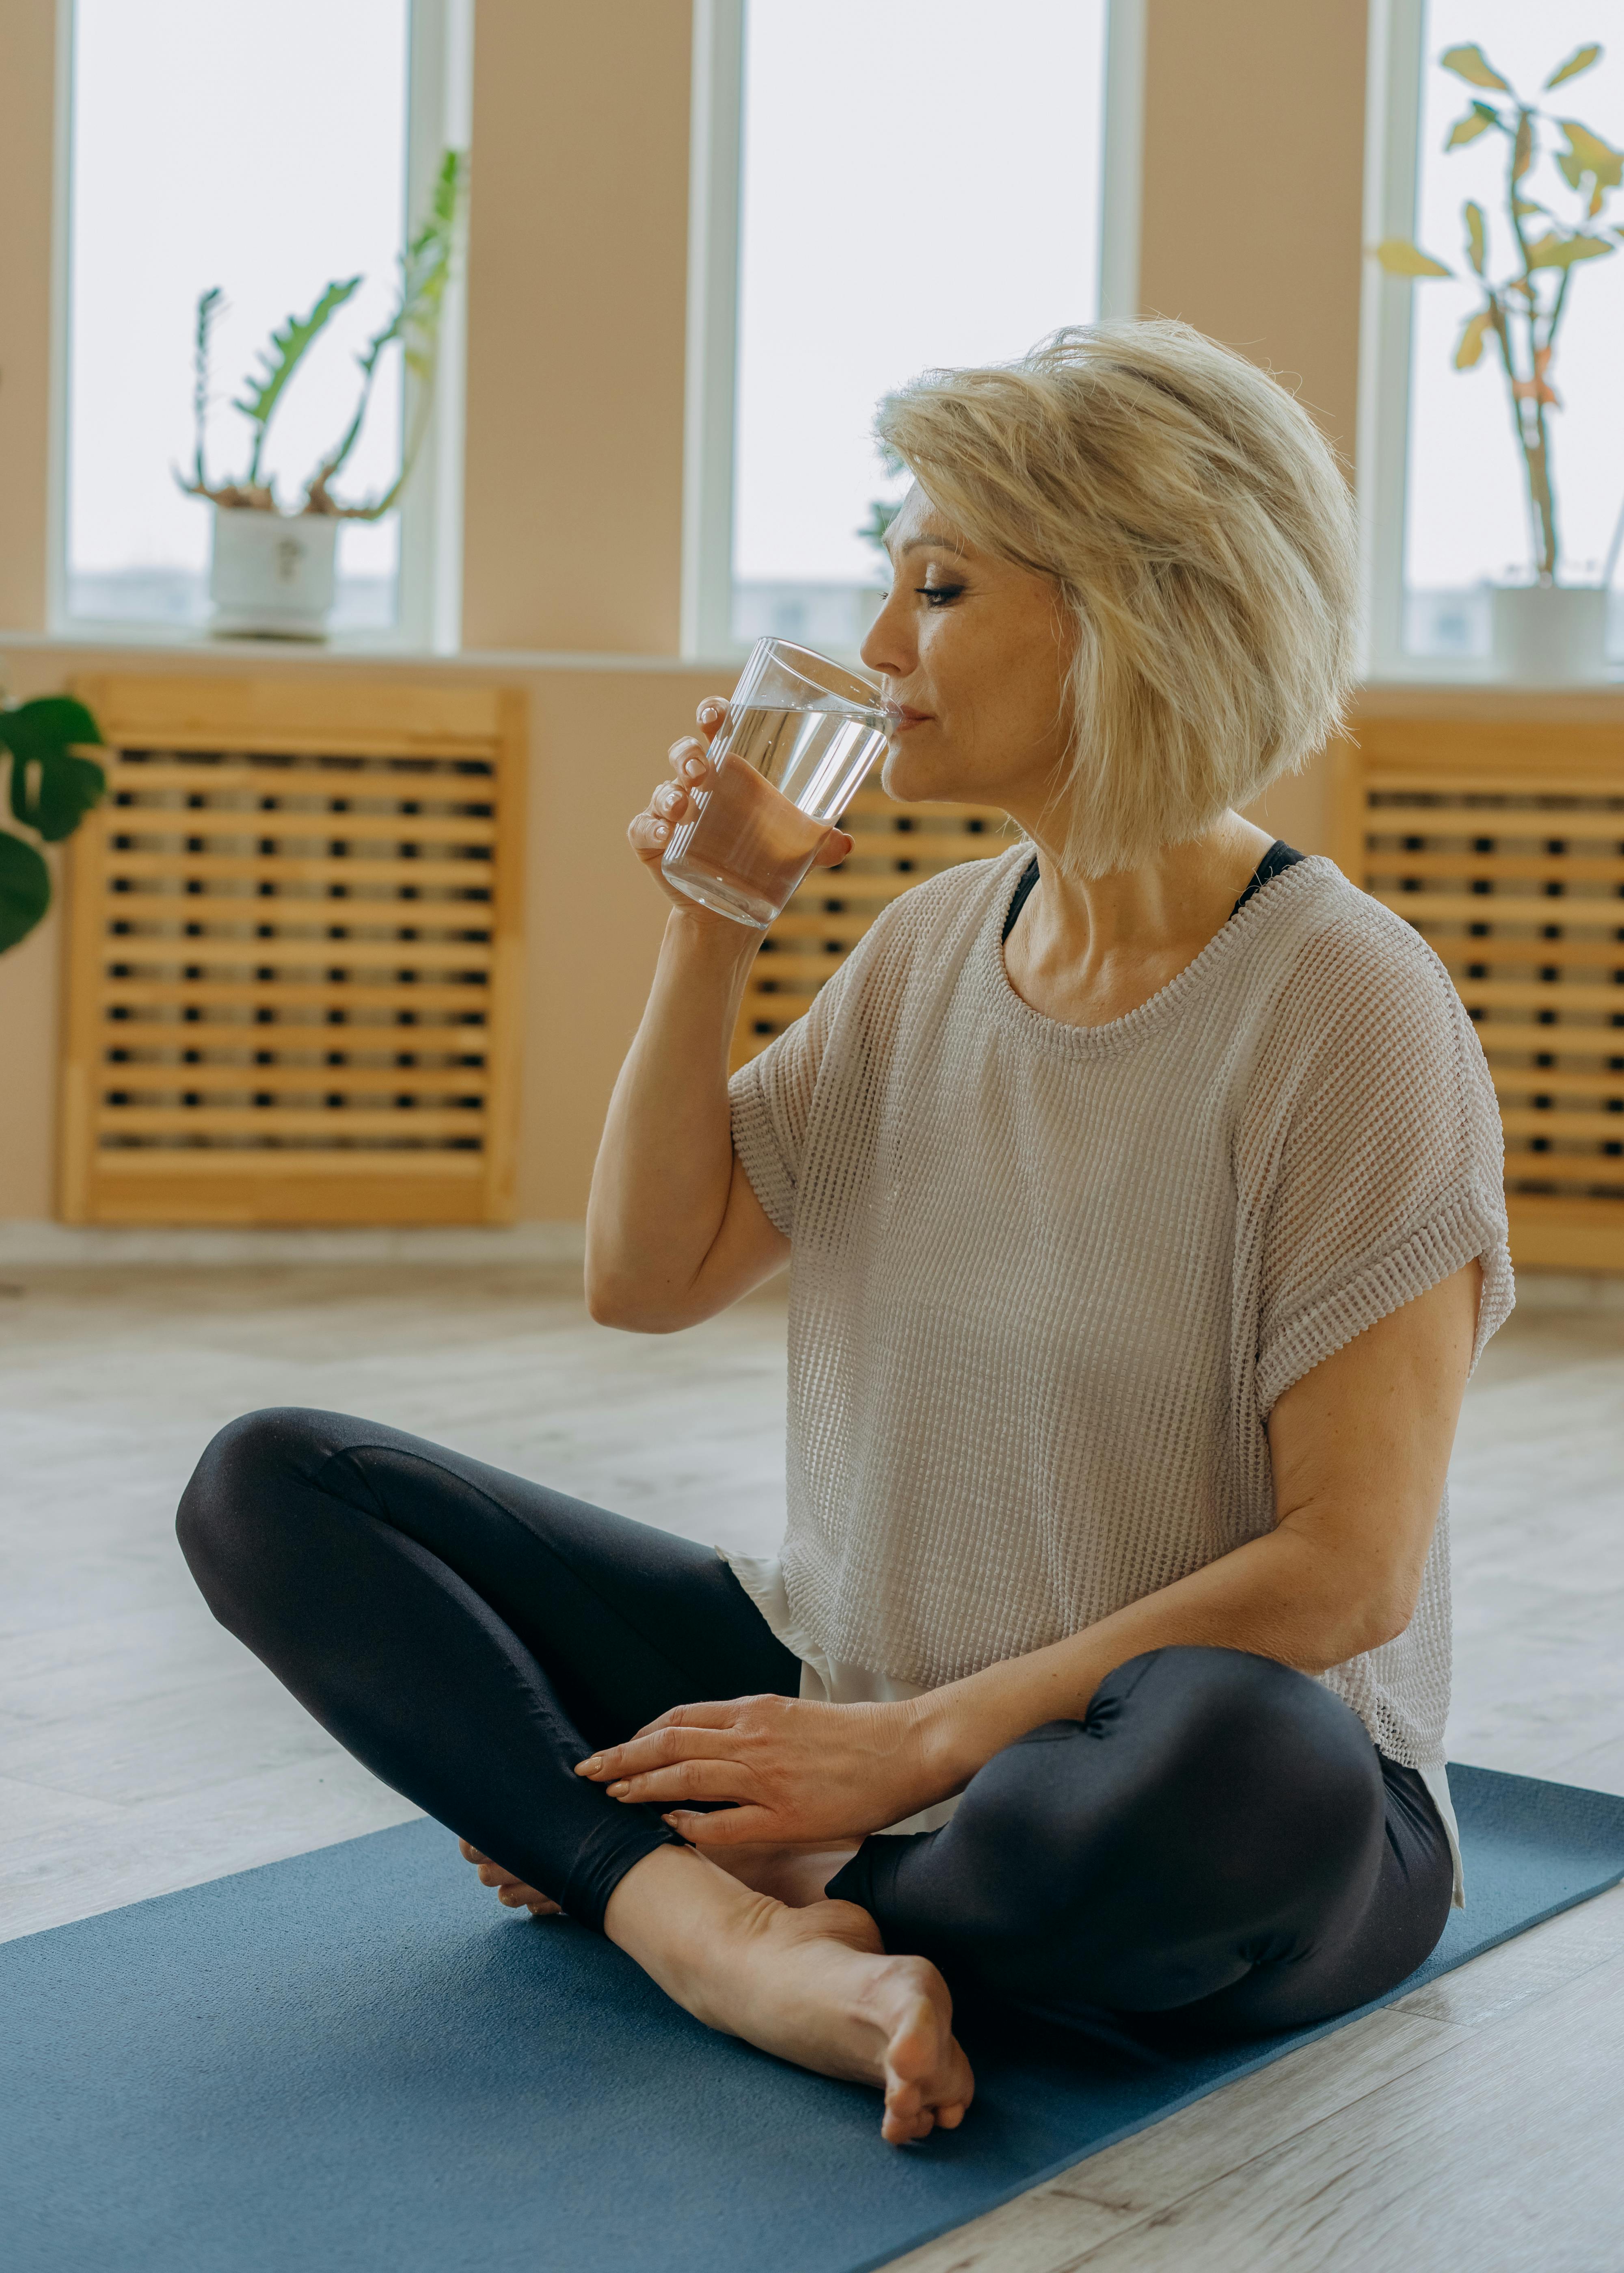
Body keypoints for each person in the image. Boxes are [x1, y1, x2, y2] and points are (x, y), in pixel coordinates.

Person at [177, 321, 1512, 2148]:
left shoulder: (1347, 1006)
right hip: (851, 1695)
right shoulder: (927, 952)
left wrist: (912, 1751)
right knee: (277, 1483)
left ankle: (792, 1896)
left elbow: (1346, 1577)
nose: (880, 648)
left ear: (1138, 605)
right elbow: (645, 1282)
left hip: (1143, 1776)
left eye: (941, 586)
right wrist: (711, 919)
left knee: (1234, 1764)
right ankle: (722, 1934)